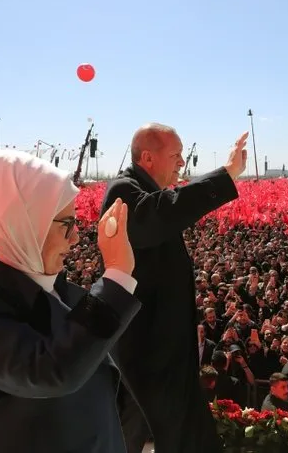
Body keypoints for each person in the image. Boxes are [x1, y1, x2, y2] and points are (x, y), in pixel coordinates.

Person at [0, 150, 140, 453]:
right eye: (66, 224)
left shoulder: (63, 291)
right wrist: (118, 276)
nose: (75, 239)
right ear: (21, 222)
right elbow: (53, 372)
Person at [101, 123, 248, 453]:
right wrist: (225, 174)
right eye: (176, 155)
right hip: (146, 353)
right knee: (136, 436)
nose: (182, 162)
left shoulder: (144, 193)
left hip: (164, 352)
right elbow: (162, 213)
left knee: (186, 437)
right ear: (148, 158)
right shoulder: (124, 191)